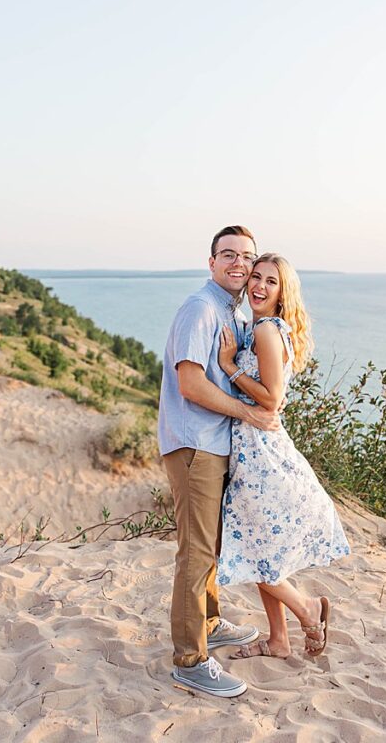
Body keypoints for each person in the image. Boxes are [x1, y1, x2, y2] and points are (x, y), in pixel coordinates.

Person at [159, 225, 282, 698]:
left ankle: (208, 622)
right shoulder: (201, 309)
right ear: (211, 262)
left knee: (208, 546)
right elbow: (190, 383)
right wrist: (247, 411)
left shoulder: (232, 311)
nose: (238, 263)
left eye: (246, 257)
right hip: (194, 444)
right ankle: (190, 659)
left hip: (213, 443)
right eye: (227, 254)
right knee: (196, 552)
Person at [215, 252, 350, 660]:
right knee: (264, 547)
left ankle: (308, 609)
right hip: (255, 449)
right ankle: (278, 640)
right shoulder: (265, 328)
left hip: (261, 457)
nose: (258, 285)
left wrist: (228, 366)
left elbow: (273, 400)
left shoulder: (266, 333)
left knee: (255, 552)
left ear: (282, 293)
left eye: (270, 281)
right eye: (256, 277)